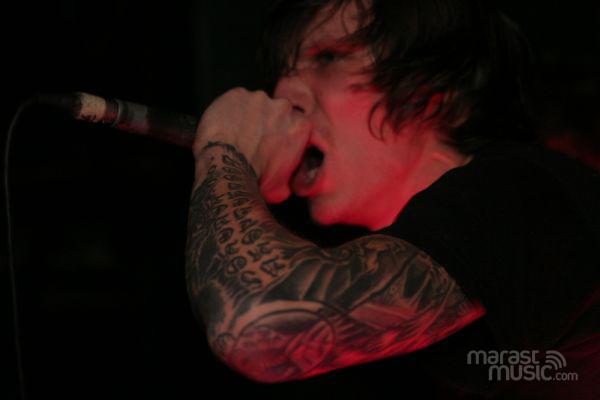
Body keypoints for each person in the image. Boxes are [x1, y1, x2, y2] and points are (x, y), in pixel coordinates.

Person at [184, 0, 599, 398]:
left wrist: (224, 151)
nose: (282, 94)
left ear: (434, 93)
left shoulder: (523, 192)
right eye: (281, 73)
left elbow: (257, 326)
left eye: (328, 57)